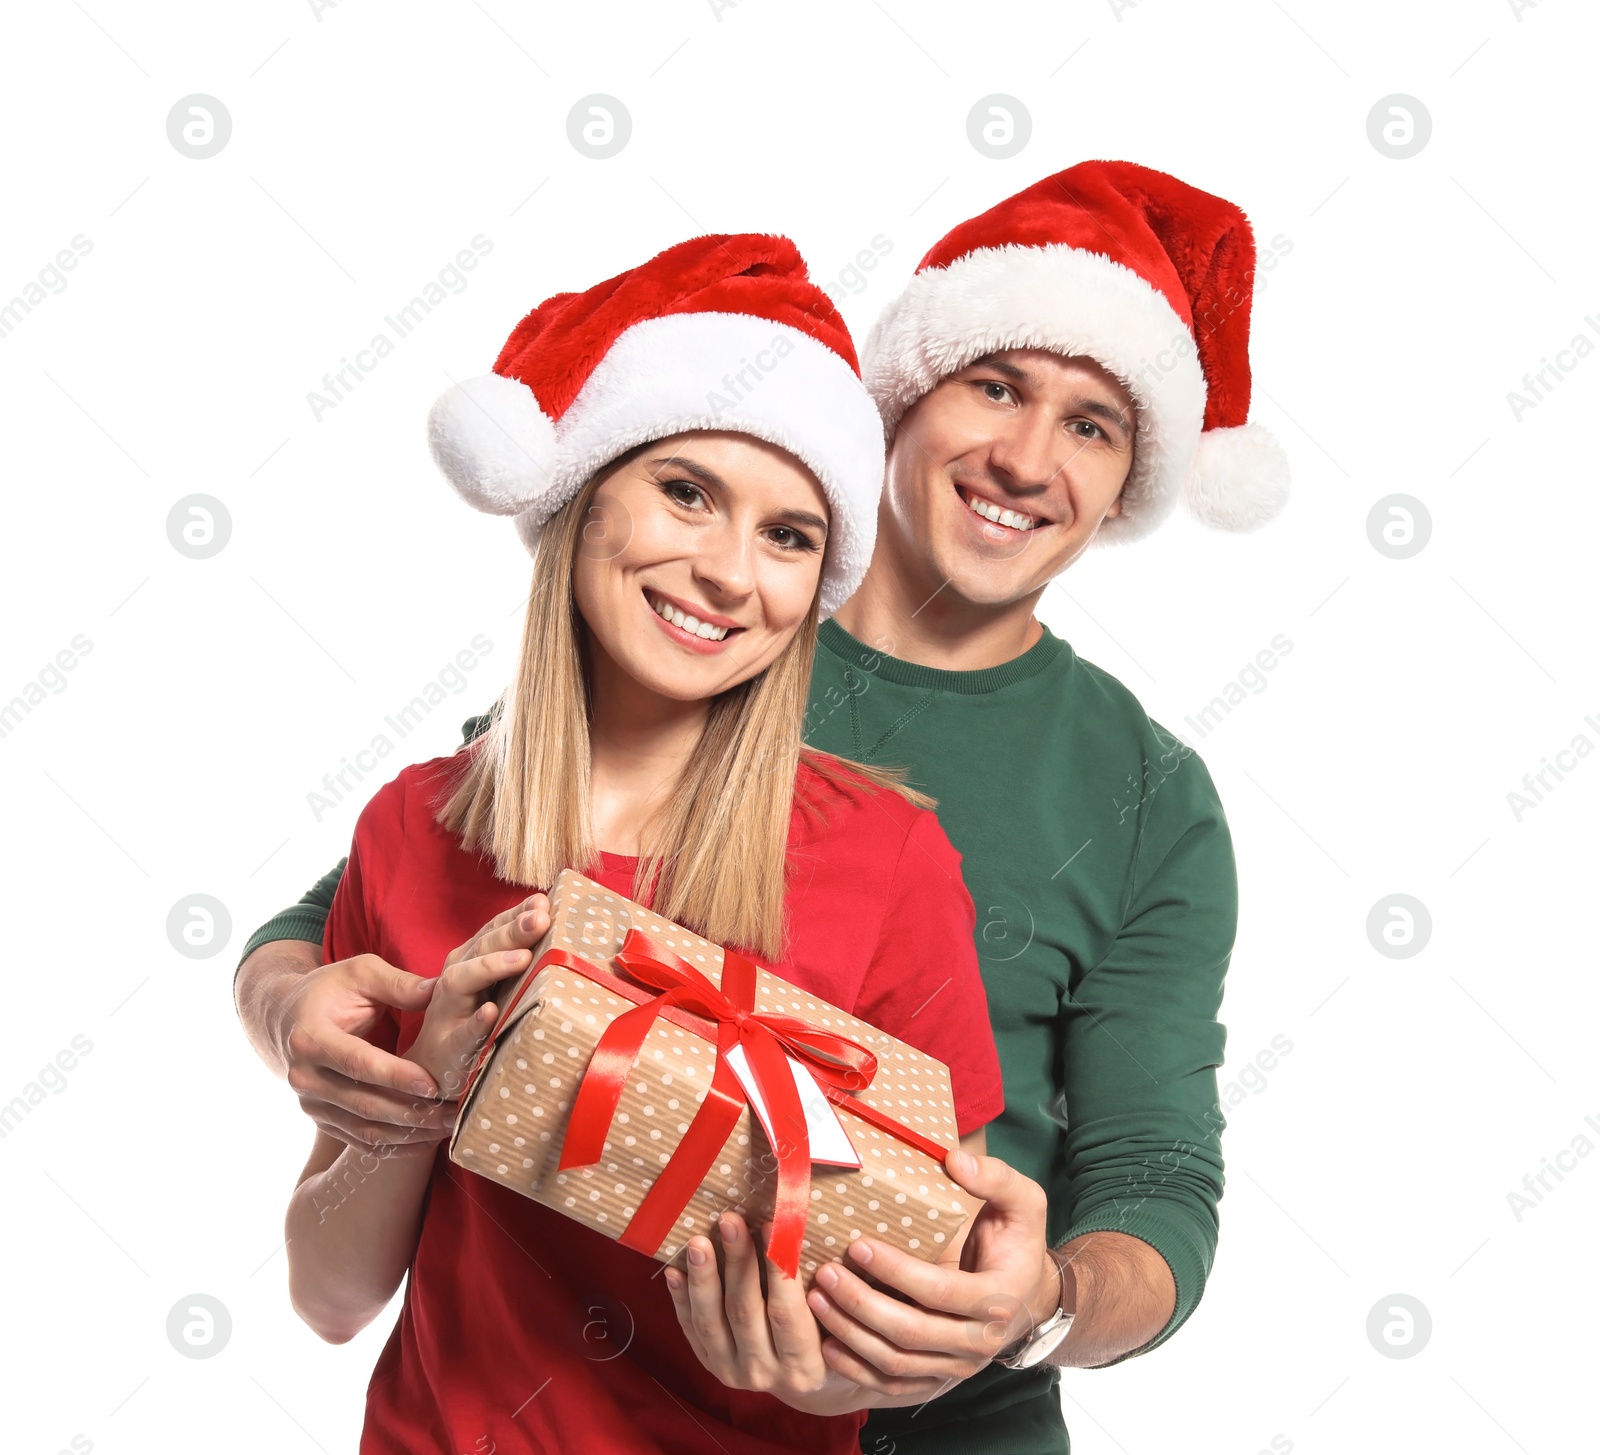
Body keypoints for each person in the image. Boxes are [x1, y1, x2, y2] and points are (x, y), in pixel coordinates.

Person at [240, 161, 1291, 1455]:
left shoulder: (1126, 797)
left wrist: (1035, 1305)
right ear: (901, 398)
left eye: (1094, 422)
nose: (1025, 456)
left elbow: (1154, 1172)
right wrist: (306, 1015)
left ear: (1134, 475)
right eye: (997, 384)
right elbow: (360, 917)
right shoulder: (651, 657)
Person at [279, 233, 1007, 1455]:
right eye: (687, 491)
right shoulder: (410, 824)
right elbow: (330, 1298)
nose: (730, 574)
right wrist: (424, 1100)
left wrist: (817, 1376)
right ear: (580, 499)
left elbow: (918, 1309)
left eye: (788, 536)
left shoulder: (887, 857)